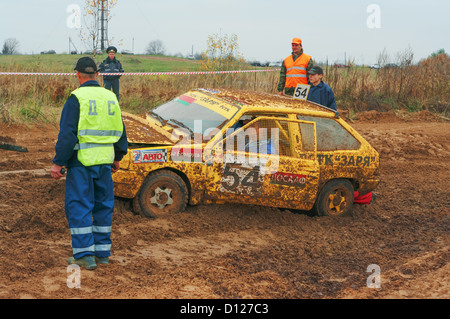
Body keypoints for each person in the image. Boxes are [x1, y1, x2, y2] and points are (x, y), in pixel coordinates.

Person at [51, 57, 128, 270]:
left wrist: (58, 162)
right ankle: (102, 254)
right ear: (97, 74)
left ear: (77, 75)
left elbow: (67, 135)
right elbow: (121, 131)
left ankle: (85, 254)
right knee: (103, 206)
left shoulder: (76, 98)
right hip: (105, 163)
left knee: (79, 205)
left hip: (82, 163)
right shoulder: (110, 96)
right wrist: (117, 157)